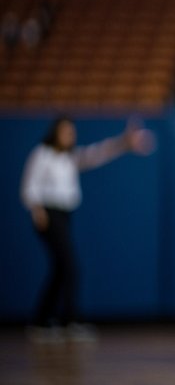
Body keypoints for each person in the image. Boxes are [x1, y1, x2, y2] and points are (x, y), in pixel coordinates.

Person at [20, 116, 155, 341]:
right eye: (65, 132)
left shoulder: (70, 158)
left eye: (72, 132)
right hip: (48, 215)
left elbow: (97, 154)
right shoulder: (42, 154)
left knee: (61, 269)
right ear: (55, 132)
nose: (69, 136)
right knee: (70, 266)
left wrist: (123, 142)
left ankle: (42, 321)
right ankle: (70, 320)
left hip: (64, 215)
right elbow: (29, 185)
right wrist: (37, 210)